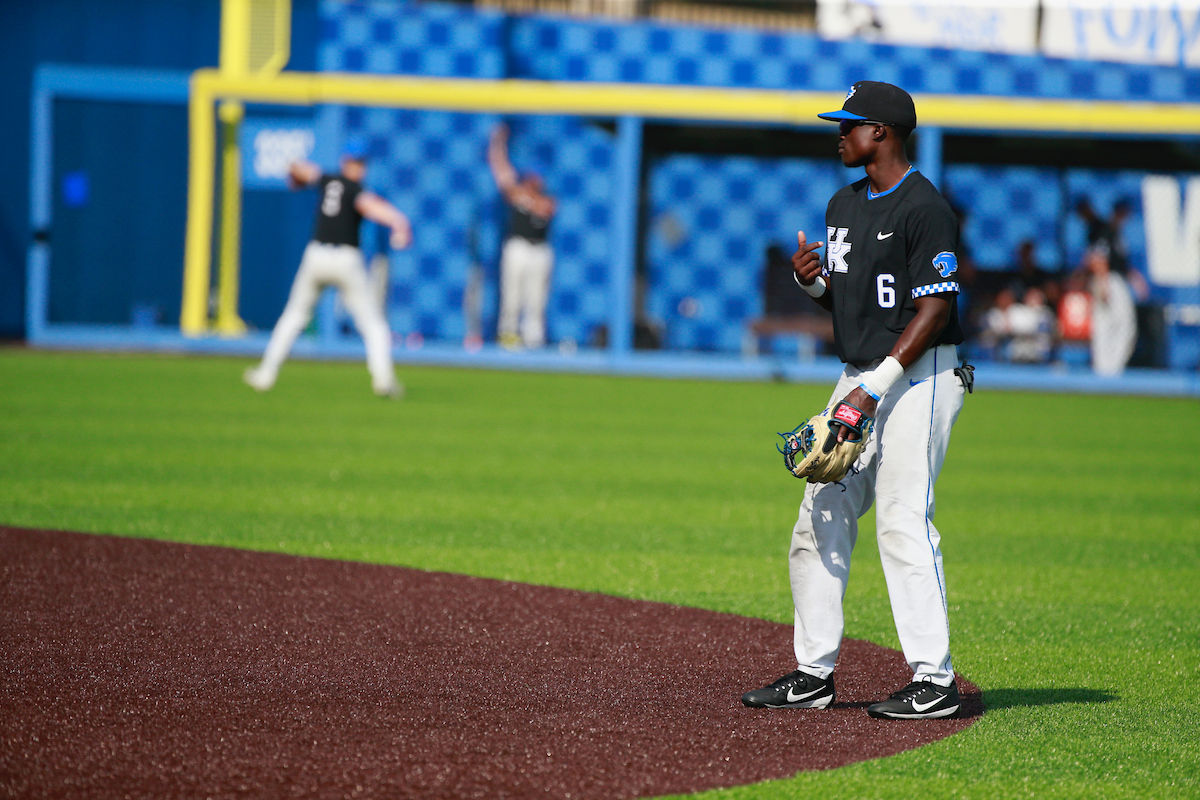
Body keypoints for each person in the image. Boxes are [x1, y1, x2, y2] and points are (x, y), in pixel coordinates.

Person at [742, 81, 970, 720]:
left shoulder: (926, 208)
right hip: (859, 373)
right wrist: (811, 284)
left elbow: (934, 309)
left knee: (902, 519)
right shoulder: (842, 204)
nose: (838, 133)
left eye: (850, 123)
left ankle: (935, 679)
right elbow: (851, 302)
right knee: (819, 509)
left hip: (920, 376)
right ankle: (814, 673)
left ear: (884, 133)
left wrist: (872, 392)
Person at [243, 140, 412, 397]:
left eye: (362, 163)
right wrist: (399, 221)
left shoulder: (328, 179)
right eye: (357, 163)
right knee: (373, 325)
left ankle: (266, 374)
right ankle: (383, 380)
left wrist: (294, 175)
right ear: (347, 163)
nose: (359, 168)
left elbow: (299, 170)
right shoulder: (355, 188)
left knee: (294, 316)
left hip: (316, 255)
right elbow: (369, 206)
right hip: (345, 258)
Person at [488, 123, 556, 350]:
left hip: (539, 250)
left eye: (538, 179)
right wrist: (498, 143)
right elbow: (501, 170)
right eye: (532, 178)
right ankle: (508, 336)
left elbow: (545, 208)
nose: (535, 182)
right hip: (518, 247)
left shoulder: (546, 198)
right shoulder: (517, 191)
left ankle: (534, 340)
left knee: (536, 301)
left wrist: (525, 198)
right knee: (512, 297)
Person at [1082, 242, 1137, 376]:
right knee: (1101, 368)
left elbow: (1125, 322)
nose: (1090, 263)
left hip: (1116, 337)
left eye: (1094, 260)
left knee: (1111, 370)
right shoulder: (1095, 280)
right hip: (1103, 335)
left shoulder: (1115, 282)